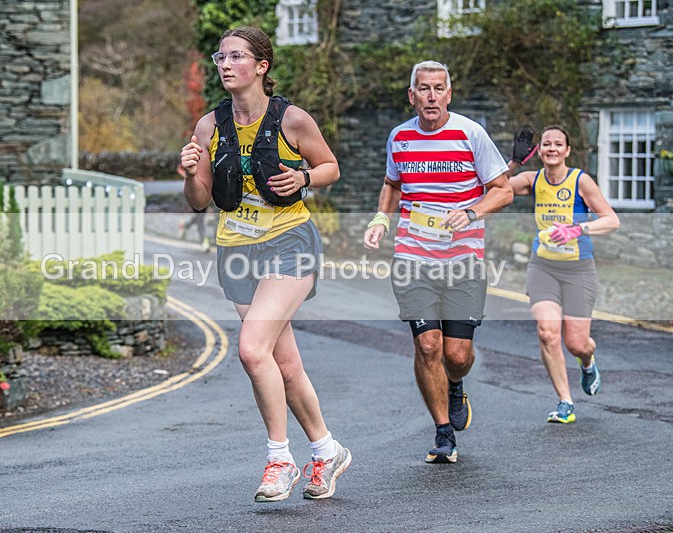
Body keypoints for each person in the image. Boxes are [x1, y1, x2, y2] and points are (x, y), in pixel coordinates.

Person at [179, 26, 351, 502]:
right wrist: (193, 173)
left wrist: (304, 176)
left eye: (237, 56)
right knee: (284, 363)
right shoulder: (209, 127)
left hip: (289, 241)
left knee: (253, 349)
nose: (225, 64)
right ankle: (327, 449)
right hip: (236, 249)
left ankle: (279, 459)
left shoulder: (292, 119)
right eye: (220, 57)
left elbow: (331, 167)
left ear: (261, 66)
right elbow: (198, 201)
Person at [364, 60, 513, 464]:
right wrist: (381, 218)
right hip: (413, 257)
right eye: (423, 89)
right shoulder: (399, 138)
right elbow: (392, 185)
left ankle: (455, 384)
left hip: (463, 259)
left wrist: (471, 213)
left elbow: (502, 191)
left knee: (457, 355)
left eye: (439, 89)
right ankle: (444, 431)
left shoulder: (470, 134)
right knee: (428, 345)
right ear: (411, 95)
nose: (431, 96)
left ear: (450, 93)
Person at [506, 125, 620, 424]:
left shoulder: (581, 181)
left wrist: (577, 228)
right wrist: (515, 163)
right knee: (546, 332)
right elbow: (493, 188)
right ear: (539, 150)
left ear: (567, 151)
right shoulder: (533, 179)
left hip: (578, 268)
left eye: (558, 144)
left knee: (576, 344)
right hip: (542, 266)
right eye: (546, 144)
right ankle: (565, 402)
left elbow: (611, 220)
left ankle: (587, 360)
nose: (552, 148)